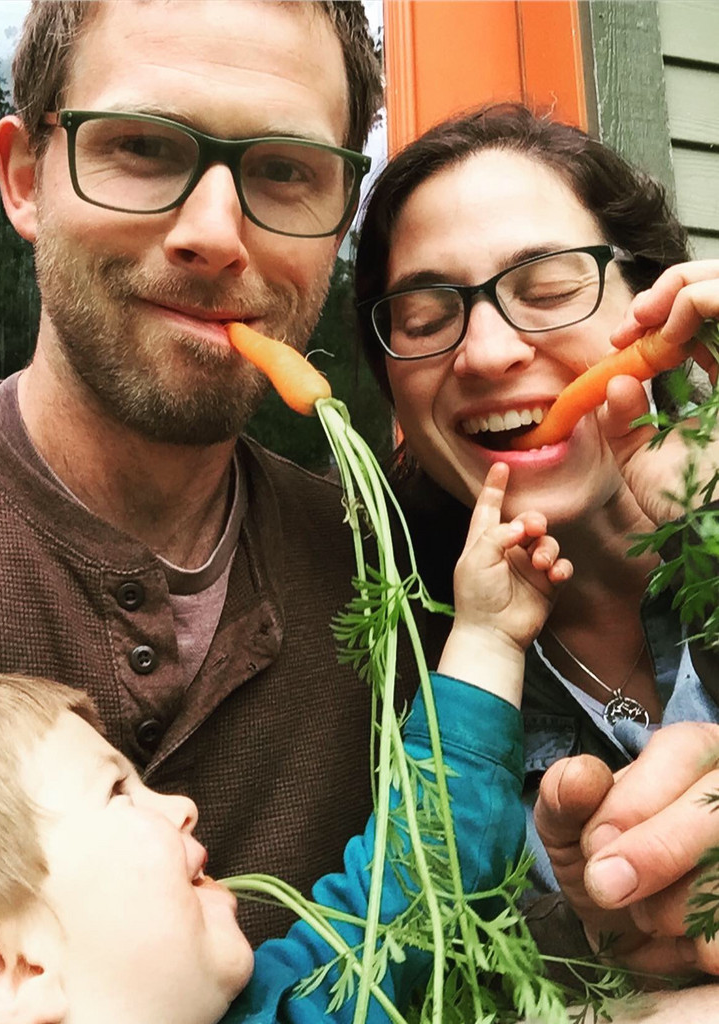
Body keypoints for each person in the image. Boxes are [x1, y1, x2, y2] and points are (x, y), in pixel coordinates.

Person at [0, 0, 385, 944]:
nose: (216, 233)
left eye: (285, 170)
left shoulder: (389, 580)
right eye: (145, 148)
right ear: (24, 179)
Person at [0, 465, 571, 1024]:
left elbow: (421, 871)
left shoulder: (294, 1005)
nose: (180, 804)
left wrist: (487, 637)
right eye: (117, 790)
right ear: (9, 968)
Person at [353, 103, 719, 995]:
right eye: (423, 316)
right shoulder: (399, 663)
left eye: (550, 288)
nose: (485, 353)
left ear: (656, 305)